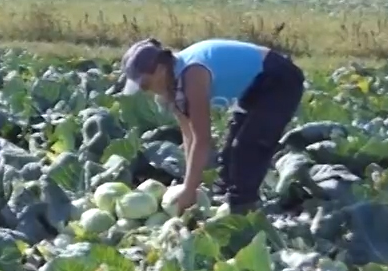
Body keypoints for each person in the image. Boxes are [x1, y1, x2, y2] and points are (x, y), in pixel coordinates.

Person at [119, 37, 305, 215]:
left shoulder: (193, 74)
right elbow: (189, 136)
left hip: (279, 79)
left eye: (144, 84)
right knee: (229, 156)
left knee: (248, 147)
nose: (146, 90)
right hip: (253, 88)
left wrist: (189, 189)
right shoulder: (171, 86)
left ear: (159, 69)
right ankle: (224, 200)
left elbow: (202, 139)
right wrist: (190, 183)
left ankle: (243, 212)